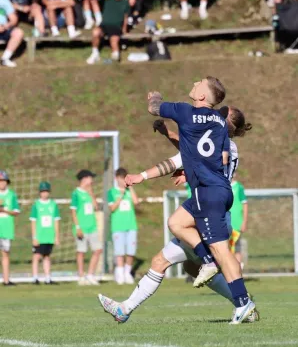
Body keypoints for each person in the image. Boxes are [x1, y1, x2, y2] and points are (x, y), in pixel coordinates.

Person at [98, 107, 258, 324]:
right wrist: (169, 135)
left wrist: (143, 176)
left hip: (209, 215)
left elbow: (182, 158)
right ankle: (244, 303)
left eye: (220, 114)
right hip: (206, 214)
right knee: (184, 265)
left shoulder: (219, 144)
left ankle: (242, 301)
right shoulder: (221, 143)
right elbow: (188, 153)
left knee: (193, 246)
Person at [144, 79, 256, 324]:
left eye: (225, 113)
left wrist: (155, 96)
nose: (195, 82)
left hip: (211, 194)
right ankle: (212, 267)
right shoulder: (217, 128)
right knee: (176, 223)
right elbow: (195, 148)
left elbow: (157, 110)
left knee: (221, 252)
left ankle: (243, 301)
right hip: (212, 193)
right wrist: (171, 137)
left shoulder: (192, 115)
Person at [108, 168, 139, 285]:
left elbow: (136, 202)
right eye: (121, 178)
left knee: (131, 251)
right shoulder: (111, 192)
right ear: (116, 178)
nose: (122, 181)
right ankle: (120, 274)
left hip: (131, 225)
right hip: (118, 226)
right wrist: (120, 195)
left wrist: (130, 188)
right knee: (119, 252)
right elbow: (112, 208)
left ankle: (127, 273)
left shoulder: (129, 191)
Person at [70, 169, 102, 286]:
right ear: (84, 179)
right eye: (90, 177)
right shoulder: (76, 193)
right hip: (82, 227)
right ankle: (81, 276)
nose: (92, 180)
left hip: (92, 226)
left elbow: (96, 207)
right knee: (81, 252)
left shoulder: (89, 192)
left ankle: (90, 275)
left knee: (98, 250)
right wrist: (78, 227)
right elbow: (73, 211)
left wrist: (91, 193)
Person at [86, 0, 129, 64]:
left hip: (116, 27)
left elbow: (125, 17)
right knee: (95, 32)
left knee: (114, 42)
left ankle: (115, 57)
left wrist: (124, 29)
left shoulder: (125, 2)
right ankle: (95, 53)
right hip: (104, 25)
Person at [30, 182, 61, 285]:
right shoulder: (36, 205)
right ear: (40, 193)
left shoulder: (53, 205)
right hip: (39, 235)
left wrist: (56, 236)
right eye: (43, 191)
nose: (44, 194)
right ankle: (35, 277)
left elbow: (56, 221)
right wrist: (34, 237)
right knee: (36, 256)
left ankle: (48, 277)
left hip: (49, 235)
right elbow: (33, 221)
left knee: (47, 256)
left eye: (46, 191)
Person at [0, 171, 20, 286]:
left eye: (3, 181)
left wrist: (5, 211)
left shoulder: (11, 195)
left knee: (5, 253)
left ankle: (6, 280)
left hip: (6, 228)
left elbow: (16, 212)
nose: (1, 183)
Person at [229, 175, 248, 268]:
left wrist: (244, 222)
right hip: (224, 224)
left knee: (237, 248)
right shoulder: (221, 186)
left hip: (236, 224)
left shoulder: (239, 187)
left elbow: (245, 204)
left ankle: (238, 272)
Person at [0, 0, 24, 67]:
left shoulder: (4, 1)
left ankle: (5, 59)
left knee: (18, 32)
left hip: (3, 29)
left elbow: (13, 19)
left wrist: (5, 26)